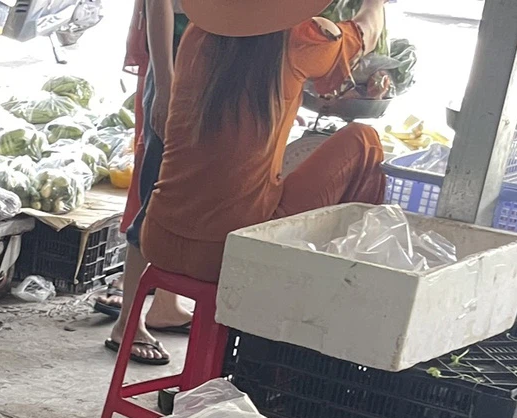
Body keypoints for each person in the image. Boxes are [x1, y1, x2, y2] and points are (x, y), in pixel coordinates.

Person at [139, 0, 387, 287]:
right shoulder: (301, 39)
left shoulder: (197, 35)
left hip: (159, 237)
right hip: (229, 248)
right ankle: (335, 283)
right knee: (364, 140)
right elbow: (367, 31)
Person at [104, 0, 191, 366]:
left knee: (186, 195)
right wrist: (167, 85)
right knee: (158, 195)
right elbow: (160, 6)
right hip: (177, 62)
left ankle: (165, 306)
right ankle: (127, 322)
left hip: (213, 64)